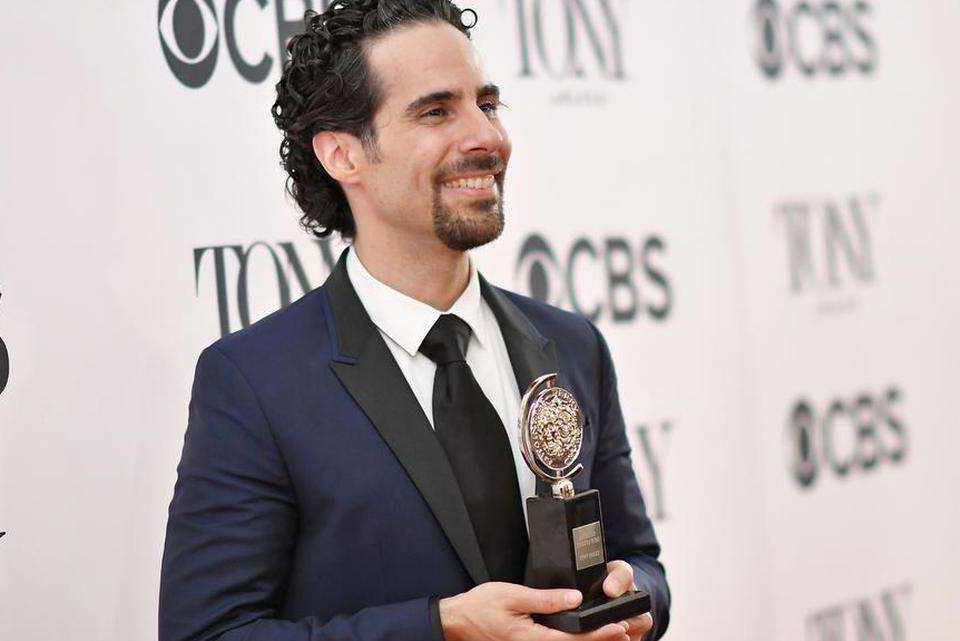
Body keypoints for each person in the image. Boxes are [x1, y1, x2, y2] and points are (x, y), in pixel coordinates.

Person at [158, 1, 670, 640]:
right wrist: (441, 629)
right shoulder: (256, 382)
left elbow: (643, 565)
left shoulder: (571, 345)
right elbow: (207, 633)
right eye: (436, 111)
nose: (486, 136)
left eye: (486, 104)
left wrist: (630, 598)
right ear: (343, 155)